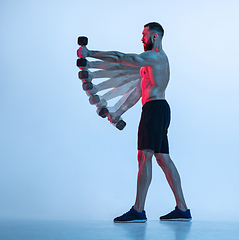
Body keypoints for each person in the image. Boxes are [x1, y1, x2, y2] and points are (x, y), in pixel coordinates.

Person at [77, 22, 191, 222]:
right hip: (156, 109)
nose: (141, 38)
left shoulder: (156, 58)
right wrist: (118, 112)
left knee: (143, 156)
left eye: (144, 34)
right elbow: (139, 91)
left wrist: (90, 52)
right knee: (163, 159)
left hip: (155, 110)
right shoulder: (149, 64)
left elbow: (122, 58)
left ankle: (138, 210)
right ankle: (183, 209)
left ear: (154, 37)